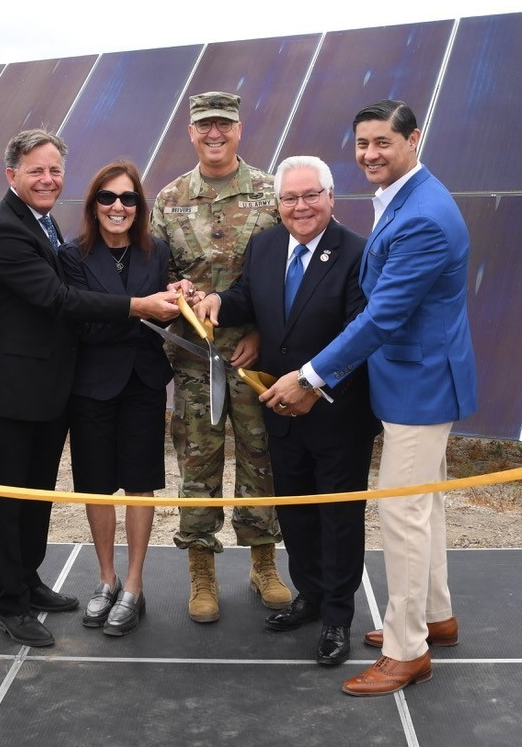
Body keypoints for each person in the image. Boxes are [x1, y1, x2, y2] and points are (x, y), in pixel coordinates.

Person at [262, 100, 477, 696]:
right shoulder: (407, 199)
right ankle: (437, 617)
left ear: (413, 139)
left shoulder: (423, 217)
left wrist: (309, 376)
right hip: (416, 378)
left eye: (383, 142)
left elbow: (382, 317)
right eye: (362, 144)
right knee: (424, 508)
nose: (370, 154)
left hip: (420, 385)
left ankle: (408, 649)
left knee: (402, 515)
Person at [0, 129, 183, 649]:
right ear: (11, 173)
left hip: (48, 391)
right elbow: (58, 299)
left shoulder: (40, 224)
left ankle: (31, 582)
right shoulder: (5, 231)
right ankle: (11, 604)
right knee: (10, 496)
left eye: (54, 170)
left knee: (36, 494)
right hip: (9, 391)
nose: (47, 179)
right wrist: (138, 306)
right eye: (35, 170)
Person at [194, 155, 378, 666]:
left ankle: (338, 618)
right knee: (295, 512)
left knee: (339, 518)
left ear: (331, 198)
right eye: (290, 198)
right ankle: (311, 596)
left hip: (338, 412)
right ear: (277, 204)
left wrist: (314, 384)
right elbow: (248, 300)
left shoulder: (358, 253)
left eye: (311, 195)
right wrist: (216, 302)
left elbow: (359, 334)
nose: (301, 207)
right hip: (279, 407)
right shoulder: (266, 245)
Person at [150, 91, 291, 623]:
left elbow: (283, 272)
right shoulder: (169, 199)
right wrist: (172, 287)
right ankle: (201, 572)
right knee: (197, 465)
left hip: (254, 358)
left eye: (223, 125)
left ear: (238, 129)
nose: (214, 133)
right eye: (205, 125)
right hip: (192, 362)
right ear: (191, 131)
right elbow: (154, 272)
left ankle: (263, 564)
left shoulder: (270, 192)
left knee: (261, 461)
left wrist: (258, 330)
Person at [59, 161, 173, 638]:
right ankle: (105, 579)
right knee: (97, 486)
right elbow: (80, 318)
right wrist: (140, 310)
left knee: (141, 484)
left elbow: (164, 318)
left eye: (128, 199)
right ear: (93, 205)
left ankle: (133, 585)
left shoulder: (157, 253)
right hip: (92, 386)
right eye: (107, 198)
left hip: (144, 384)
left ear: (139, 207)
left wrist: (175, 299)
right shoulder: (71, 256)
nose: (118, 207)